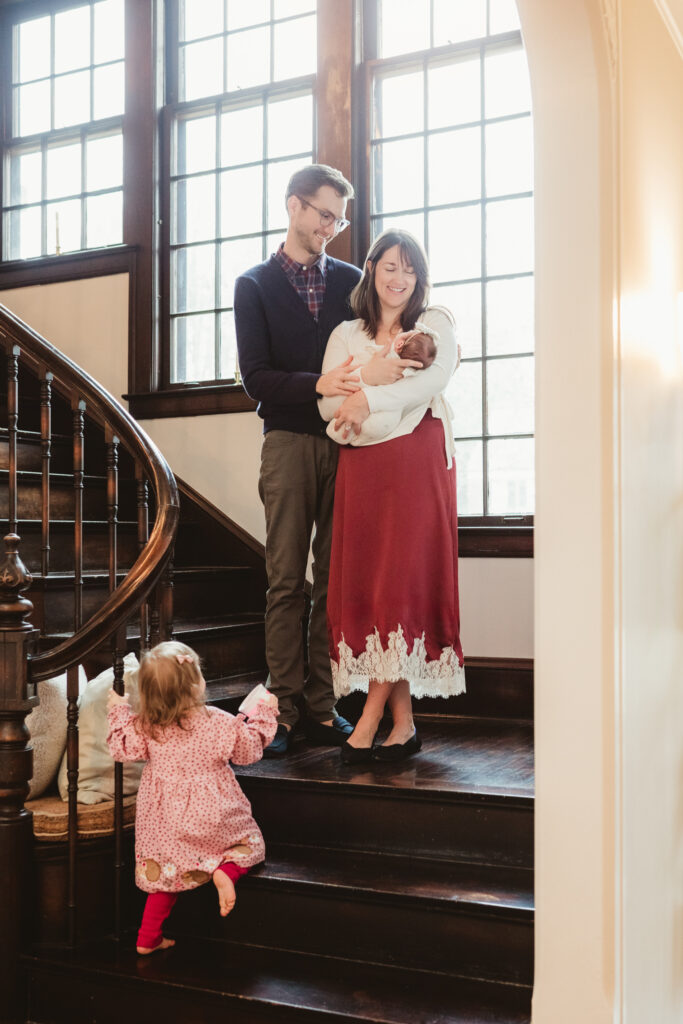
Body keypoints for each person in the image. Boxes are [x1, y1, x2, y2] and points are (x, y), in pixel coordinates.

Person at [319, 229, 466, 764]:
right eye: (389, 267)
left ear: (419, 277)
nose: (399, 278)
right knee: (378, 584)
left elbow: (429, 383)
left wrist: (364, 399)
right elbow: (325, 410)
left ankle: (369, 718)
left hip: (416, 463)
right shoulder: (345, 334)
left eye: (409, 269)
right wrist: (360, 396)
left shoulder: (436, 324)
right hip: (362, 466)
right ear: (372, 270)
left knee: (401, 580)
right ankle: (404, 725)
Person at [234, 164, 363, 757]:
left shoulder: (353, 282)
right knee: (286, 581)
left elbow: (376, 348)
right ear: (294, 206)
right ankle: (281, 711)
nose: (331, 227)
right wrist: (321, 383)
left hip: (348, 444)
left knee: (335, 584)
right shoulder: (253, 285)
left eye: (338, 218)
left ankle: (321, 704)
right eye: (324, 214)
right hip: (286, 443)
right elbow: (257, 380)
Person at [106, 640, 278, 954]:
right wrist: (265, 713)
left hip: (165, 822)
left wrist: (118, 710)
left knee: (165, 873)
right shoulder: (218, 721)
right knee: (251, 842)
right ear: (195, 687)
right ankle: (226, 873)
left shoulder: (148, 726)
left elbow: (121, 747)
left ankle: (147, 938)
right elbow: (249, 750)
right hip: (214, 815)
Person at [323, 322, 438, 445]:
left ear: (399, 343)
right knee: (384, 421)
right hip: (386, 415)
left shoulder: (383, 352)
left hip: (357, 393)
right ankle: (357, 439)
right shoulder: (414, 374)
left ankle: (340, 434)